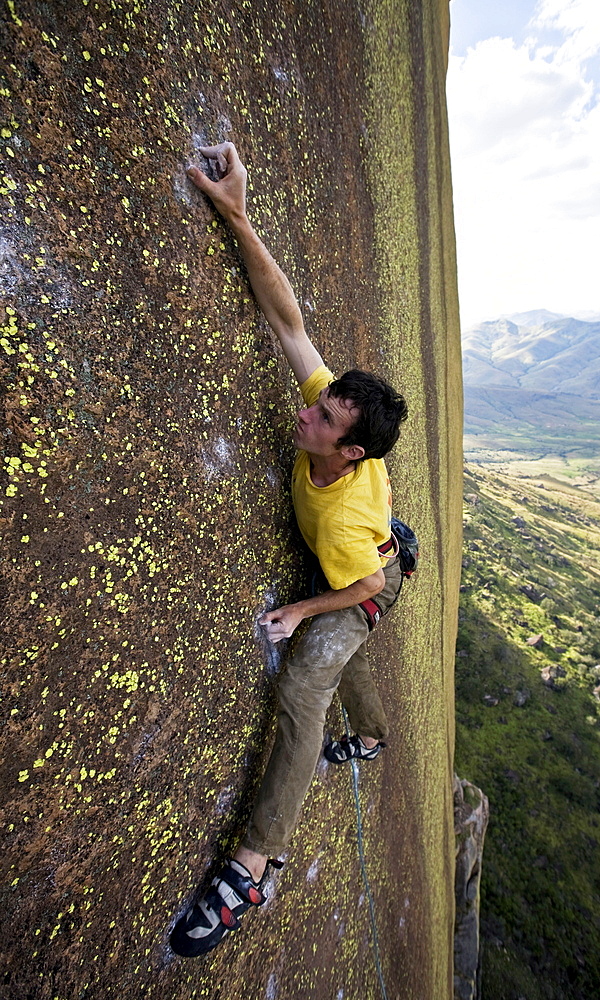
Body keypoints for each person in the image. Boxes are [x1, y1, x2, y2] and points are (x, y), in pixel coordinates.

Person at [170, 142, 408, 958]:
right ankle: (374, 737)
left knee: (309, 675)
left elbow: (369, 582)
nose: (308, 413)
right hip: (365, 561)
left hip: (372, 578)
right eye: (325, 401)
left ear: (350, 453)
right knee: (345, 660)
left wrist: (305, 606)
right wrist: (236, 214)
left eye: (327, 419)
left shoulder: (344, 519)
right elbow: (288, 321)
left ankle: (255, 864)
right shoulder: (332, 420)